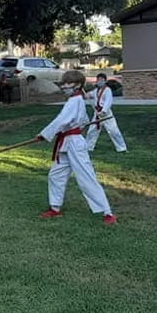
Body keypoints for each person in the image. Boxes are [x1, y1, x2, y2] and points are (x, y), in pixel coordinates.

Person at [37, 70, 117, 224]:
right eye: (64, 83)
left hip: (74, 142)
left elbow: (62, 120)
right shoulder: (75, 99)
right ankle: (55, 208)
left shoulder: (75, 100)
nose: (64, 86)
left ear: (77, 85)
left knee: (86, 176)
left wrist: (44, 134)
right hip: (66, 142)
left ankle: (107, 213)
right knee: (56, 174)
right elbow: (81, 119)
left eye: (68, 83)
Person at [85, 73, 127, 153]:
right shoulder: (96, 90)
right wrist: (87, 95)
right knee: (92, 130)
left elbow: (108, 101)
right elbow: (90, 94)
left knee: (113, 131)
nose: (99, 81)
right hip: (97, 113)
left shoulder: (107, 90)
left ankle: (122, 148)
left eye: (101, 80)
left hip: (106, 114)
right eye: (98, 80)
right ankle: (88, 147)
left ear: (105, 81)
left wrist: (103, 111)